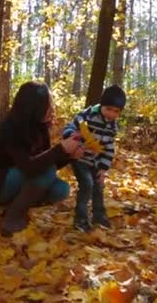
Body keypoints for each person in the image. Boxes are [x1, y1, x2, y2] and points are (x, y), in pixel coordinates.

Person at [0, 81, 84, 237]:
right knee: (46, 172)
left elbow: (46, 162)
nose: (51, 109)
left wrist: (69, 154)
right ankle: (13, 217)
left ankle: (15, 205)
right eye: (47, 105)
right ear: (32, 106)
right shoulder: (10, 128)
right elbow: (30, 167)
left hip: (18, 178)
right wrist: (60, 149)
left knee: (61, 190)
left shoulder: (40, 127)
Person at [63, 85, 127, 232]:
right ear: (102, 105)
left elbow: (109, 148)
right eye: (109, 109)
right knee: (87, 184)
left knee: (98, 186)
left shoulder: (112, 126)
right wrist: (72, 139)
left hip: (96, 161)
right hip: (79, 157)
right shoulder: (88, 115)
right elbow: (69, 128)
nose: (111, 114)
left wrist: (103, 169)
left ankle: (99, 216)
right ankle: (81, 219)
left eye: (116, 111)